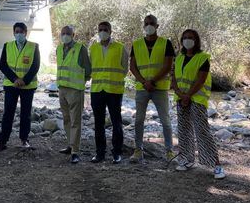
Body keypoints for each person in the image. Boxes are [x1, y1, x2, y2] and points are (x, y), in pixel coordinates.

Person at [172, 29, 225, 179]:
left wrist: (188, 95)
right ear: (182, 40)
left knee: (202, 131)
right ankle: (187, 160)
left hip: (197, 99)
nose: (188, 40)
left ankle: (217, 165)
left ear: (196, 41)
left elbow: (201, 80)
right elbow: (174, 78)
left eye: (191, 38)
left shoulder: (203, 58)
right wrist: (180, 94)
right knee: (184, 130)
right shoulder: (179, 57)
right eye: (185, 37)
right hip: (181, 98)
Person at [129, 15, 175, 162]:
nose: (149, 26)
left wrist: (152, 81)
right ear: (143, 26)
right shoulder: (136, 44)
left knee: (165, 121)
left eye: (152, 23)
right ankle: (138, 150)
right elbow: (133, 66)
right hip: (142, 88)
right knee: (138, 121)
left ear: (157, 25)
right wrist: (144, 82)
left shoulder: (166, 43)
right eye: (146, 23)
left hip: (160, 88)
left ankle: (169, 151)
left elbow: (168, 66)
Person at [0, 22, 40, 153]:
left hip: (28, 86)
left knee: (26, 114)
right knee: (8, 113)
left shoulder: (34, 46)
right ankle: (2, 142)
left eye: (21, 31)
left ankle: (24, 140)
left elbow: (35, 66)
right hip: (11, 85)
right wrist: (15, 79)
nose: (19, 34)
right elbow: (3, 65)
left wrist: (24, 80)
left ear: (26, 32)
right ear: (13, 33)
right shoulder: (7, 46)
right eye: (16, 31)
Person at [90, 21, 128, 164]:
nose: (103, 31)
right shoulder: (93, 48)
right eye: (100, 29)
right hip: (97, 90)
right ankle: (100, 153)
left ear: (111, 31)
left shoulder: (120, 48)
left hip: (114, 91)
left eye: (105, 29)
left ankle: (117, 152)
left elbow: (124, 69)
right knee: (98, 123)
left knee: (116, 122)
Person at [56, 25, 91, 164]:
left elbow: (88, 69)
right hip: (62, 89)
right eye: (63, 33)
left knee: (75, 121)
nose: (65, 35)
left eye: (68, 33)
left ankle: (75, 151)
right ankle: (70, 145)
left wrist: (80, 83)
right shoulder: (59, 48)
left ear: (73, 34)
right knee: (66, 119)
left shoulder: (80, 49)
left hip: (75, 90)